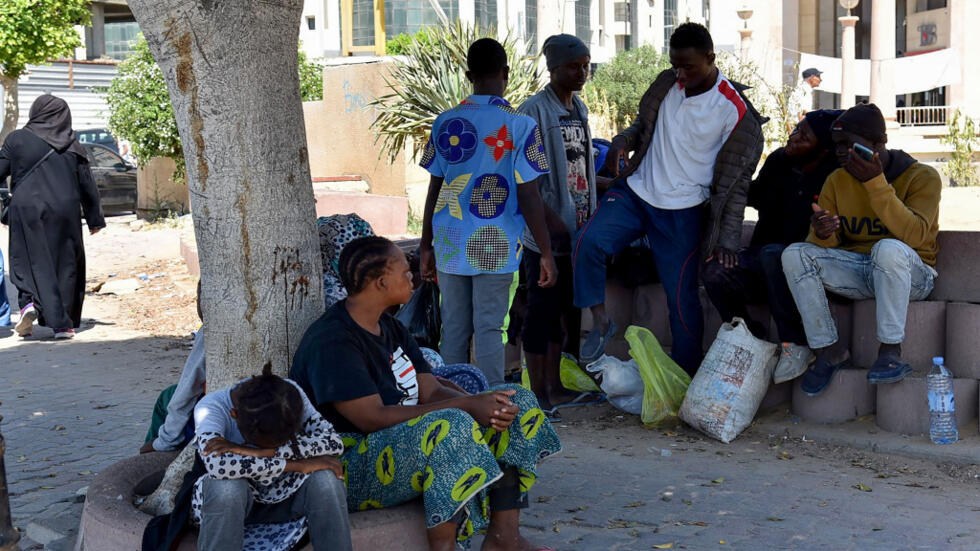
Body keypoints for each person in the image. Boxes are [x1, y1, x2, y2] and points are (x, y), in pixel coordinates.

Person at [290, 236, 561, 551]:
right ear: (380, 282)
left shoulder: (390, 327)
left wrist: (482, 403)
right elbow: (370, 418)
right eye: (405, 272)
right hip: (347, 463)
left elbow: (430, 390)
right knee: (452, 426)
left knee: (514, 401)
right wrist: (466, 407)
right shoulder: (333, 340)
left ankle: (504, 538)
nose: (413, 277)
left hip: (401, 441)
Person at [573, 22, 764, 375]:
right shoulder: (667, 83)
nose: (681, 74)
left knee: (682, 300)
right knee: (587, 242)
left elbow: (736, 186)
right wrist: (622, 140)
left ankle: (683, 379)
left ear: (711, 58)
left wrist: (727, 240)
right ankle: (600, 321)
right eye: (675, 65)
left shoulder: (736, 112)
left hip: (683, 212)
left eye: (689, 67)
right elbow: (642, 127)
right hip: (636, 192)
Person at [418, 38, 557, 386]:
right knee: (490, 329)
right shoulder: (521, 125)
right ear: (506, 73)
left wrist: (425, 244)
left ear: (468, 76)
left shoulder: (444, 122)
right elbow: (529, 194)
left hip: (449, 240)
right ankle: (494, 406)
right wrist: (546, 251)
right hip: (496, 243)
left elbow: (434, 189)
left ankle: (450, 403)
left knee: (453, 328)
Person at [782, 103, 941, 396]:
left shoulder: (923, 177)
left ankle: (890, 352)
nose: (841, 152)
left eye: (849, 145)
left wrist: (874, 183)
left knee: (887, 249)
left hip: (912, 275)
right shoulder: (837, 180)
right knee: (794, 254)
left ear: (878, 144)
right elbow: (822, 249)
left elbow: (916, 236)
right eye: (837, 145)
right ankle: (829, 350)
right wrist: (823, 233)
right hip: (861, 271)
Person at [702, 109, 843, 383]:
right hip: (761, 262)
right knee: (715, 270)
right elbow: (751, 194)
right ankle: (747, 333)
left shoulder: (834, 176)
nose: (794, 137)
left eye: (804, 136)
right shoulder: (779, 161)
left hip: (802, 273)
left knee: (775, 254)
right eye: (796, 129)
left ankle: (795, 344)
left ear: (823, 150)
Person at [516, 34, 596, 411]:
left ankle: (556, 386)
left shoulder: (579, 108)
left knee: (565, 311)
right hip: (545, 233)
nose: (582, 73)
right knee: (541, 311)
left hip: (576, 230)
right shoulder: (533, 111)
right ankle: (537, 393)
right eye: (574, 66)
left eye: (586, 66)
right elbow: (524, 178)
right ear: (553, 69)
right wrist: (549, 222)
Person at [191, 367, 352, 551]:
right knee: (227, 488)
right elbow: (219, 467)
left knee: (326, 481)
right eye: (261, 445)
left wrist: (260, 452)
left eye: (281, 443)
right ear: (235, 416)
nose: (271, 449)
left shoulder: (289, 396)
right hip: (233, 506)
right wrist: (296, 465)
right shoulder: (211, 407)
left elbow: (333, 442)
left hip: (283, 496)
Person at [0, 95, 105, 339]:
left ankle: (28, 303)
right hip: (65, 211)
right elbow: (87, 184)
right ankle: (62, 325)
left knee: (27, 258)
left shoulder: (17, 139)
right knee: (65, 263)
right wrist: (95, 220)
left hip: (26, 209)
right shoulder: (72, 144)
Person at [140, 280, 206, 453]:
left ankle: (160, 452)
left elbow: (187, 392)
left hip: (218, 411)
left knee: (168, 397)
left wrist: (163, 442)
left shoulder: (211, 332)